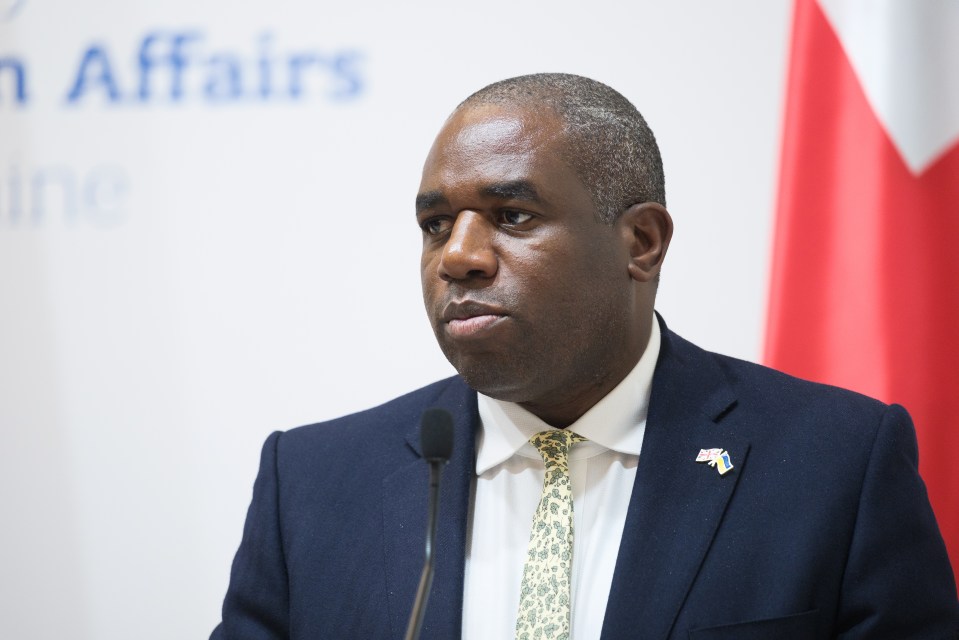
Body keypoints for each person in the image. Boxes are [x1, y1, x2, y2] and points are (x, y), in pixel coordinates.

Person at [211, 73, 959, 639]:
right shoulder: (311, 483)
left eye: (511, 215)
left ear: (640, 242)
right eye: (436, 225)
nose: (459, 257)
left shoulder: (833, 463)